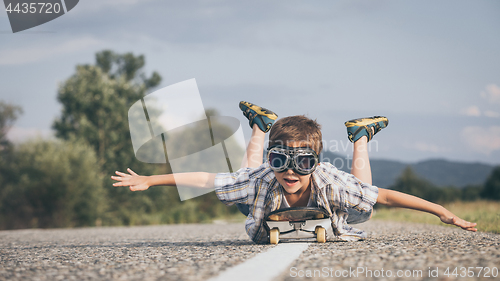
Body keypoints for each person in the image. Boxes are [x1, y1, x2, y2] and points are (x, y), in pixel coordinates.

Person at [112, 101, 477, 244]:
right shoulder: (263, 178)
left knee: (364, 203)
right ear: (273, 161)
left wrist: (442, 212)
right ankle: (260, 126)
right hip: (262, 205)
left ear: (314, 164)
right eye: (279, 162)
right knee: (246, 184)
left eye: (302, 164)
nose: (290, 172)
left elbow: (385, 195)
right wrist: (150, 179)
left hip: (329, 205)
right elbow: (206, 180)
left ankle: (360, 136)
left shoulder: (328, 181)